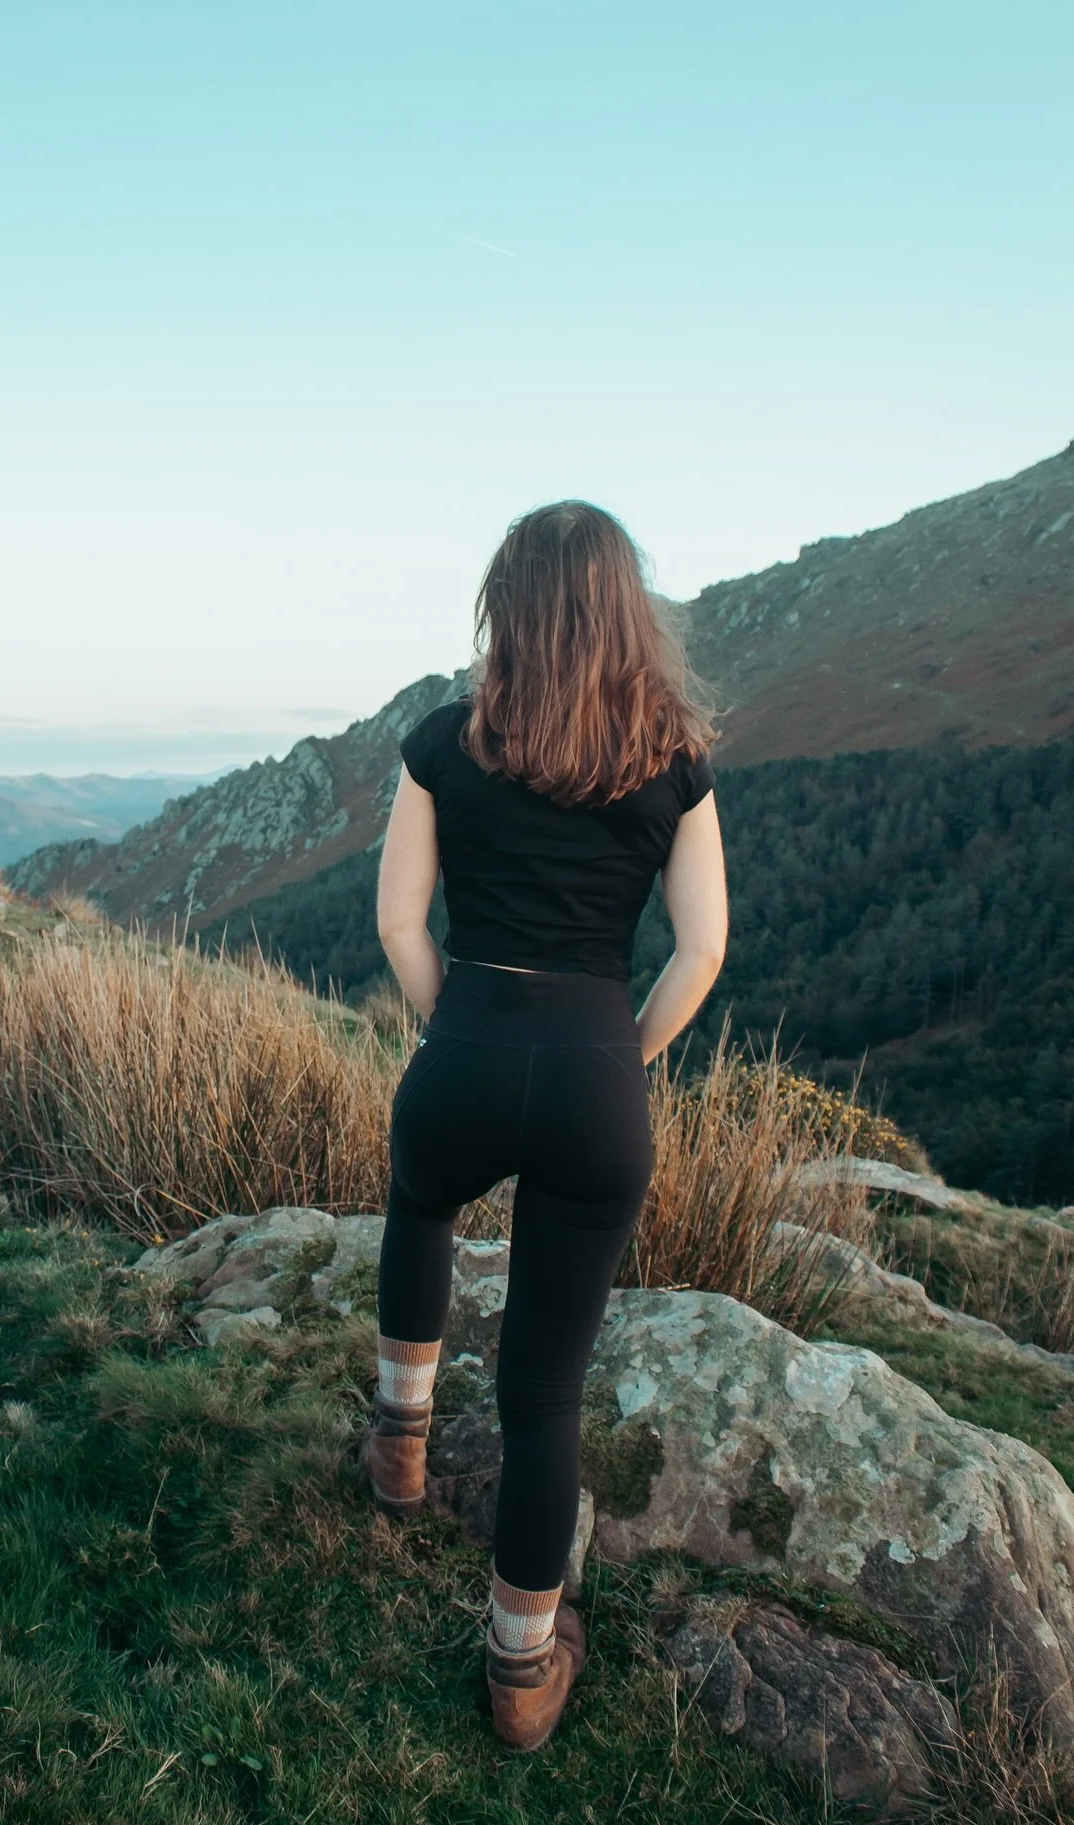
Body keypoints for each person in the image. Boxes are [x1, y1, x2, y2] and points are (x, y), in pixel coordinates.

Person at [362, 499, 729, 1752]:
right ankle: (522, 1673)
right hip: (593, 1074)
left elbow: (403, 924)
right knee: (543, 1394)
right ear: (626, 617)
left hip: (470, 1037)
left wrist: (447, 1028)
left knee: (420, 1197)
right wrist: (619, 1059)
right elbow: (701, 949)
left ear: (504, 612)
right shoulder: (672, 761)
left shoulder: (443, 746)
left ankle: (398, 1452)